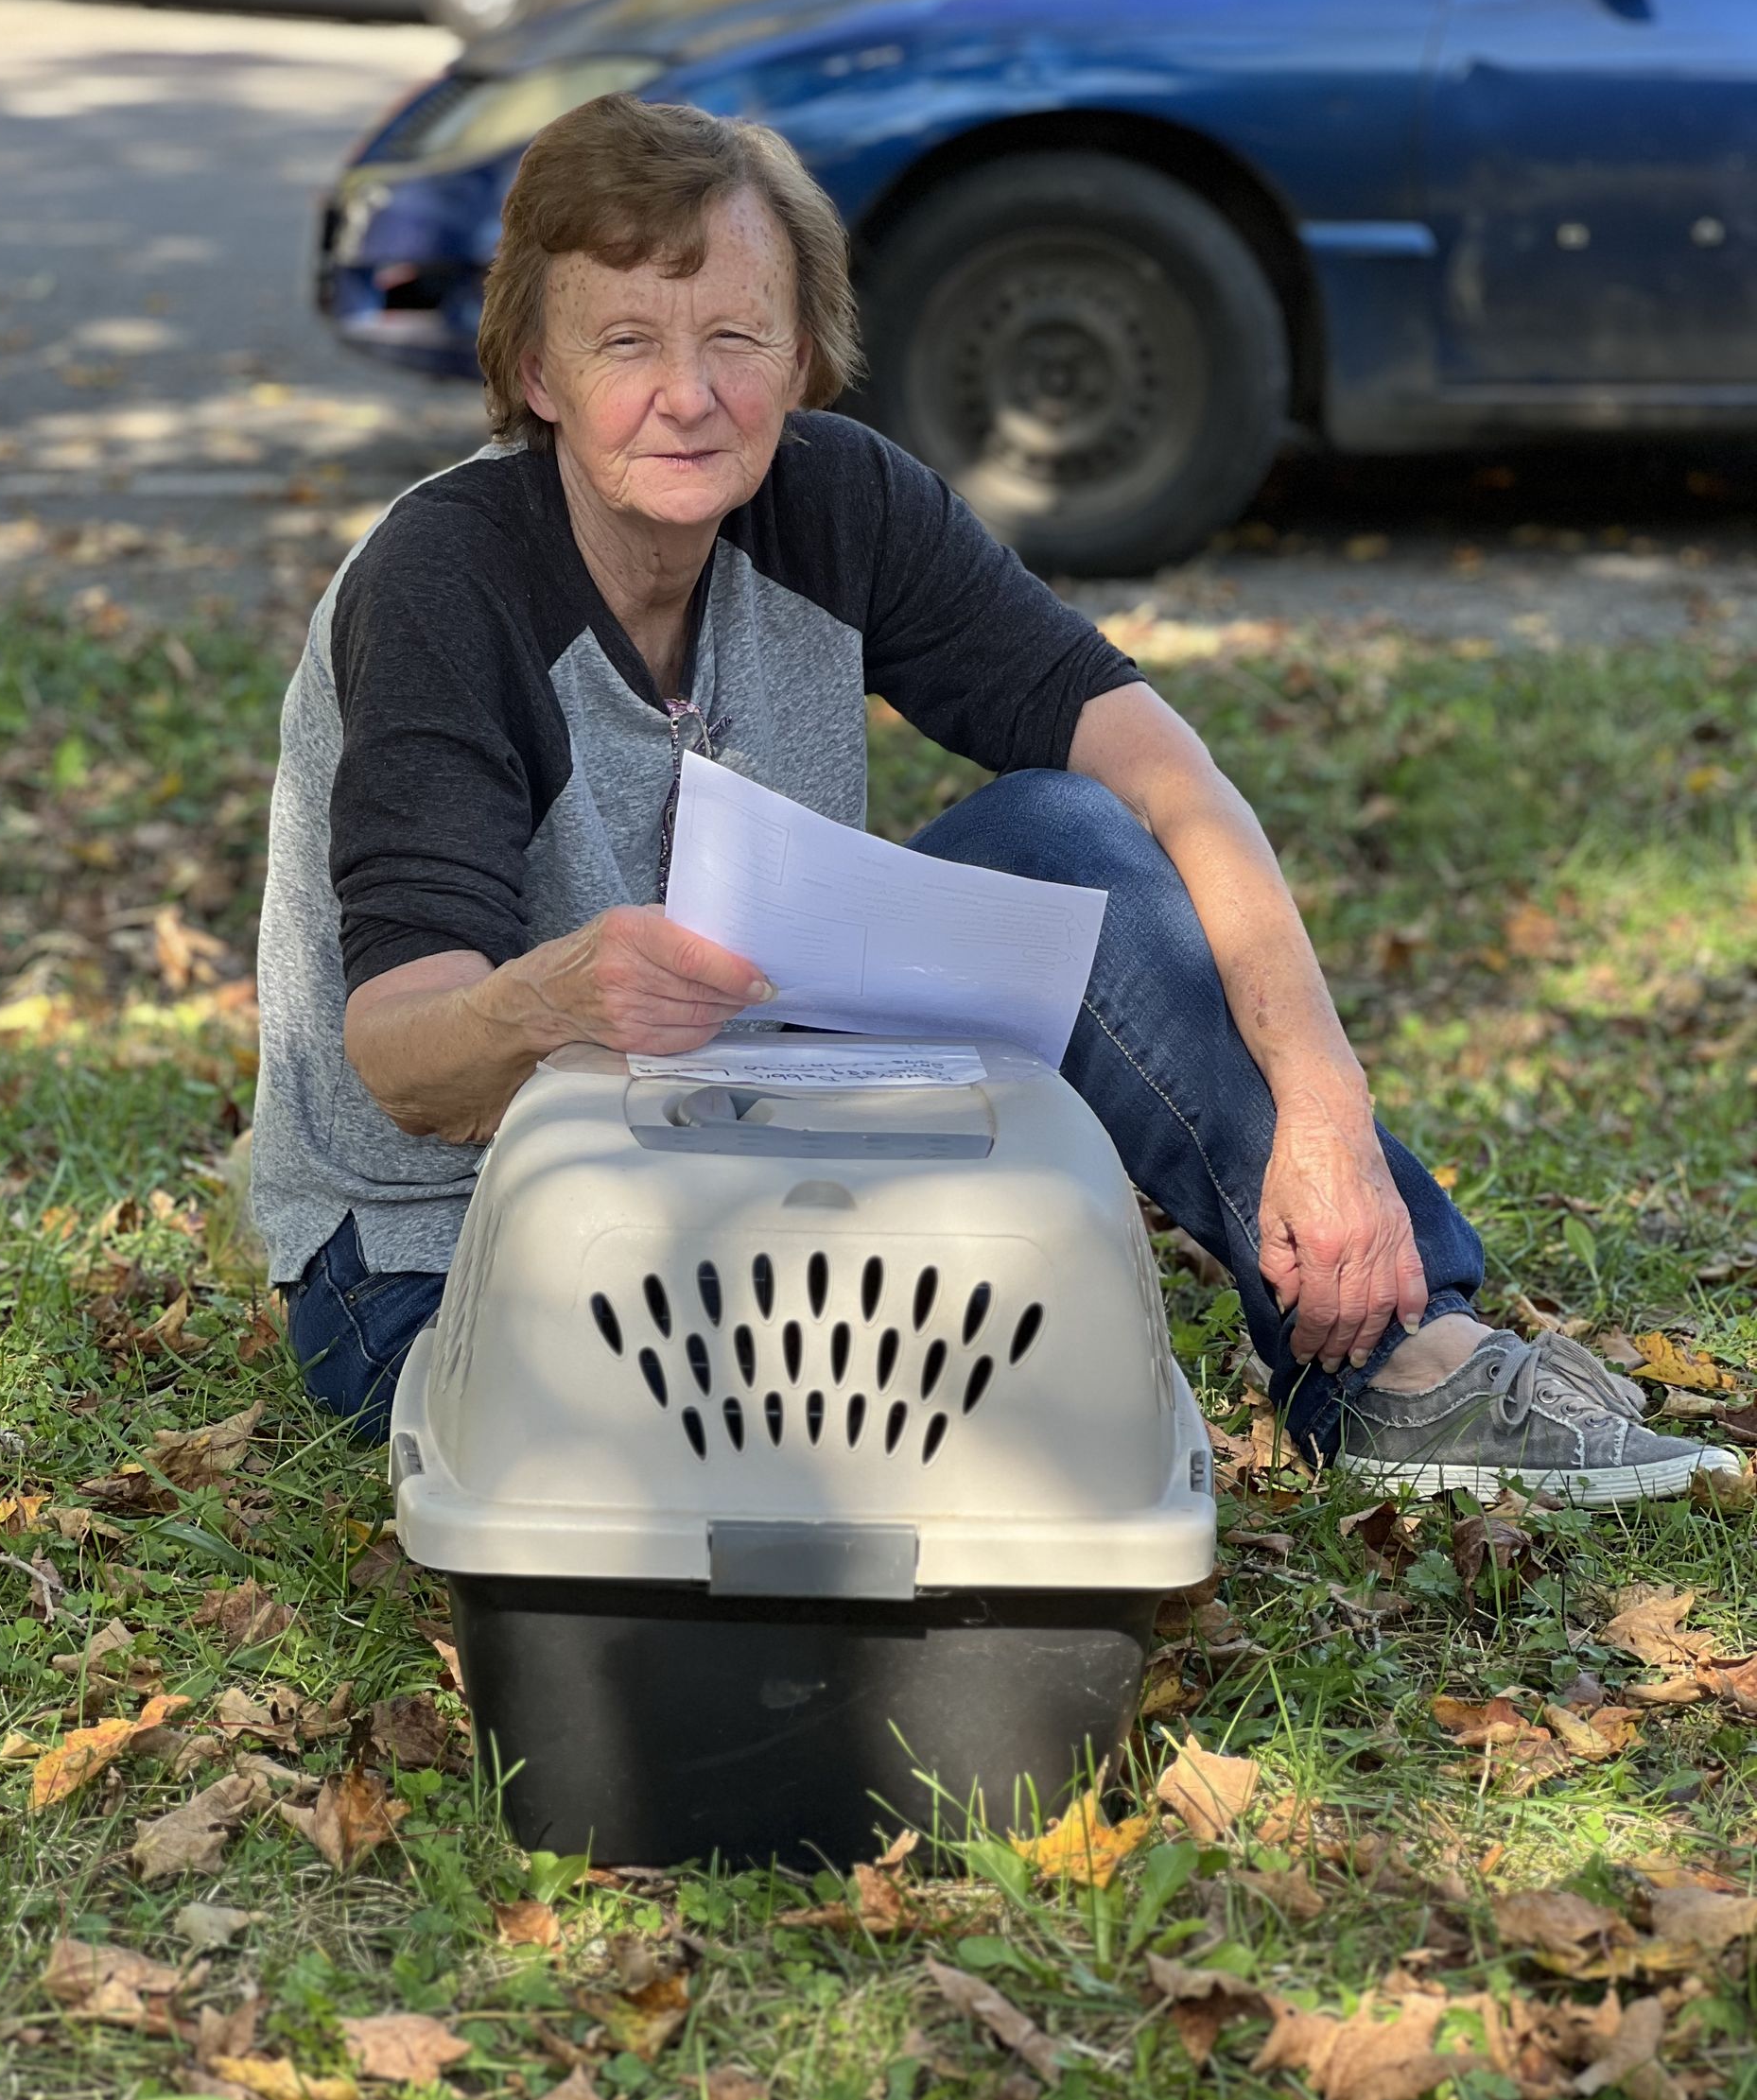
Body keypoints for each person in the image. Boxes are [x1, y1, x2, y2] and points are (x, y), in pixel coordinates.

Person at [252, 94, 1737, 1506]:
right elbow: (400, 1056)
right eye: (626, 340)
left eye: (736, 336)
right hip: (442, 1250)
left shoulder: (839, 502)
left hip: (746, 1123)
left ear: (803, 351)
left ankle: (1388, 1365)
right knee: (802, 1442)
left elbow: (1174, 782)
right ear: (536, 375)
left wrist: (1325, 1110)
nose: (689, 395)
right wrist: (551, 997)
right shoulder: (445, 583)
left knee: (1066, 836)